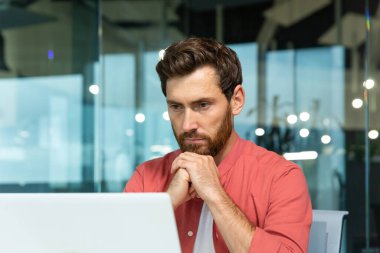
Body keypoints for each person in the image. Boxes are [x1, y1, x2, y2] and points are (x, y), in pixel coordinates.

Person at [124, 37, 312, 253]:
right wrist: (166, 204)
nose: (187, 125)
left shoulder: (281, 177)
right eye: (176, 107)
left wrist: (215, 194)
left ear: (236, 100)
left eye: (203, 105)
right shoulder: (146, 177)